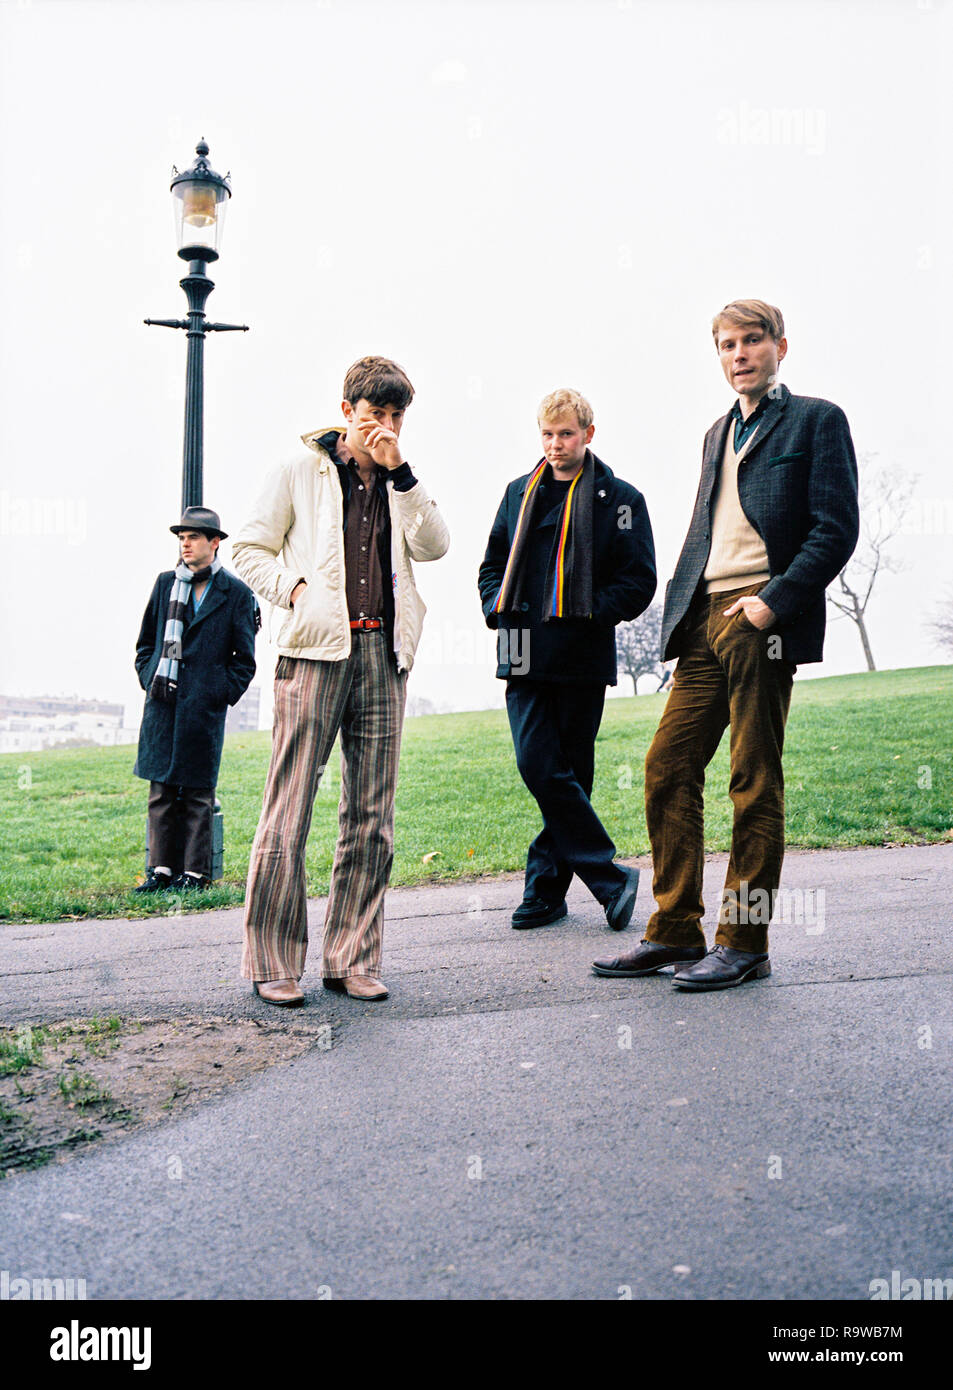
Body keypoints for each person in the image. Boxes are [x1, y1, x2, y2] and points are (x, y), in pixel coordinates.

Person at [594, 299, 859, 990]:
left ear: (779, 346)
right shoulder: (716, 431)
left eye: (751, 341)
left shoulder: (816, 420)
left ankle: (744, 942)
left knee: (751, 778)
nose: (738, 354)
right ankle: (675, 930)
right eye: (725, 344)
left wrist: (771, 603)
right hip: (704, 619)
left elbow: (834, 528)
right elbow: (703, 528)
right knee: (666, 767)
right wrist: (681, 615)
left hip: (759, 616)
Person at [232, 355, 449, 1006]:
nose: (383, 424)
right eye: (373, 411)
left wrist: (402, 474)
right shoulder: (297, 471)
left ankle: (350, 959)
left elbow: (435, 545)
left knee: (371, 818)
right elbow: (248, 549)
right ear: (346, 410)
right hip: (312, 654)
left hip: (384, 654)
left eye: (395, 414)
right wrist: (294, 589)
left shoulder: (399, 481)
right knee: (288, 810)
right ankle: (273, 961)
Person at [478, 388, 656, 933]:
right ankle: (607, 876)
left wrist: (586, 612)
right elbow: (491, 566)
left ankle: (544, 892)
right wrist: (495, 609)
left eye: (566, 434)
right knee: (537, 763)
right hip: (520, 645)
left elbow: (639, 581)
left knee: (572, 774)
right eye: (547, 435)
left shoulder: (621, 499)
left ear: (588, 434)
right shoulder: (517, 493)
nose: (556, 445)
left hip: (581, 651)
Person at [133, 506, 258, 892]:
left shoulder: (235, 593)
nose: (185, 544)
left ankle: (195, 873)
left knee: (199, 792)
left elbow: (245, 661)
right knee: (162, 791)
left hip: (203, 709)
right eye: (181, 538)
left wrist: (217, 694)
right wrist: (148, 676)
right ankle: (161, 871)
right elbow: (144, 645)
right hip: (163, 703)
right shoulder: (165, 583)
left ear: (214, 542)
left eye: (193, 538)